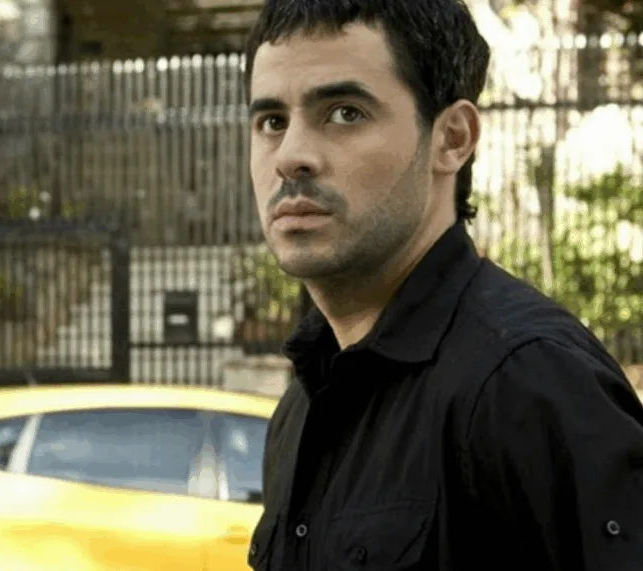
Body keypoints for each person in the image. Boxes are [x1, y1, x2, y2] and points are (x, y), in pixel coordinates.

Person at [244, 0, 643, 569]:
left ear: (452, 138)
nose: (290, 157)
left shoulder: (528, 382)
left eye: (344, 113)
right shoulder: (302, 407)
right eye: (272, 122)